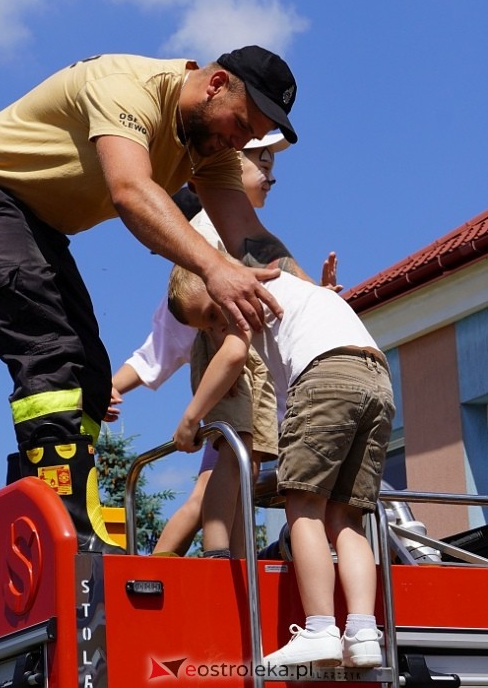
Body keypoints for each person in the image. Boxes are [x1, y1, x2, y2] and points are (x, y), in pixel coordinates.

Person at [0, 46, 304, 553]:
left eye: (251, 137)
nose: (239, 142)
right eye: (240, 124)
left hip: (37, 225)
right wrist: (215, 268)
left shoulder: (209, 150)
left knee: (90, 372)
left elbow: (249, 236)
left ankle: (69, 520)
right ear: (215, 84)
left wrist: (315, 300)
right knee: (53, 359)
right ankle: (64, 534)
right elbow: (130, 190)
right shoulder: (129, 86)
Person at [167, 259, 393, 669]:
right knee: (348, 518)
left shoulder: (238, 287)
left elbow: (234, 353)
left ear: (217, 278)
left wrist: (190, 418)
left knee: (304, 508)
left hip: (325, 377)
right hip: (377, 376)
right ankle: (362, 633)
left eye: (215, 314)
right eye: (208, 327)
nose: (220, 327)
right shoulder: (285, 283)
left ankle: (320, 628)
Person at [111, 133, 289, 557]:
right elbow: (161, 347)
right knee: (216, 481)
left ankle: (234, 561)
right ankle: (170, 565)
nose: (269, 174)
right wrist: (112, 384)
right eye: (258, 161)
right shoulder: (205, 247)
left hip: (249, 384)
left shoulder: (244, 237)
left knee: (238, 476)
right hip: (232, 382)